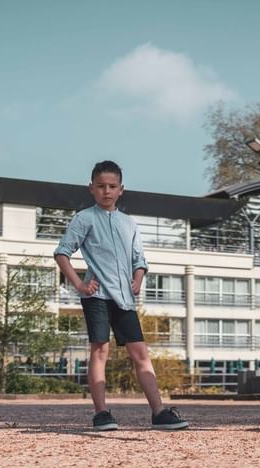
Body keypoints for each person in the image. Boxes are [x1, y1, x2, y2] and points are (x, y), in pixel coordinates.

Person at [54, 160, 189, 431]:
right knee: (99, 350)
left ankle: (159, 412)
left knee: (140, 353)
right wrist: (80, 285)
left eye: (112, 186)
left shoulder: (129, 223)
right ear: (91, 188)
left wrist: (137, 279)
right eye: (101, 186)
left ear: (121, 190)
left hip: (125, 299)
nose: (107, 191)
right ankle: (101, 413)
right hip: (97, 296)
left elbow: (139, 259)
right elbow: (62, 252)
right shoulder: (84, 218)